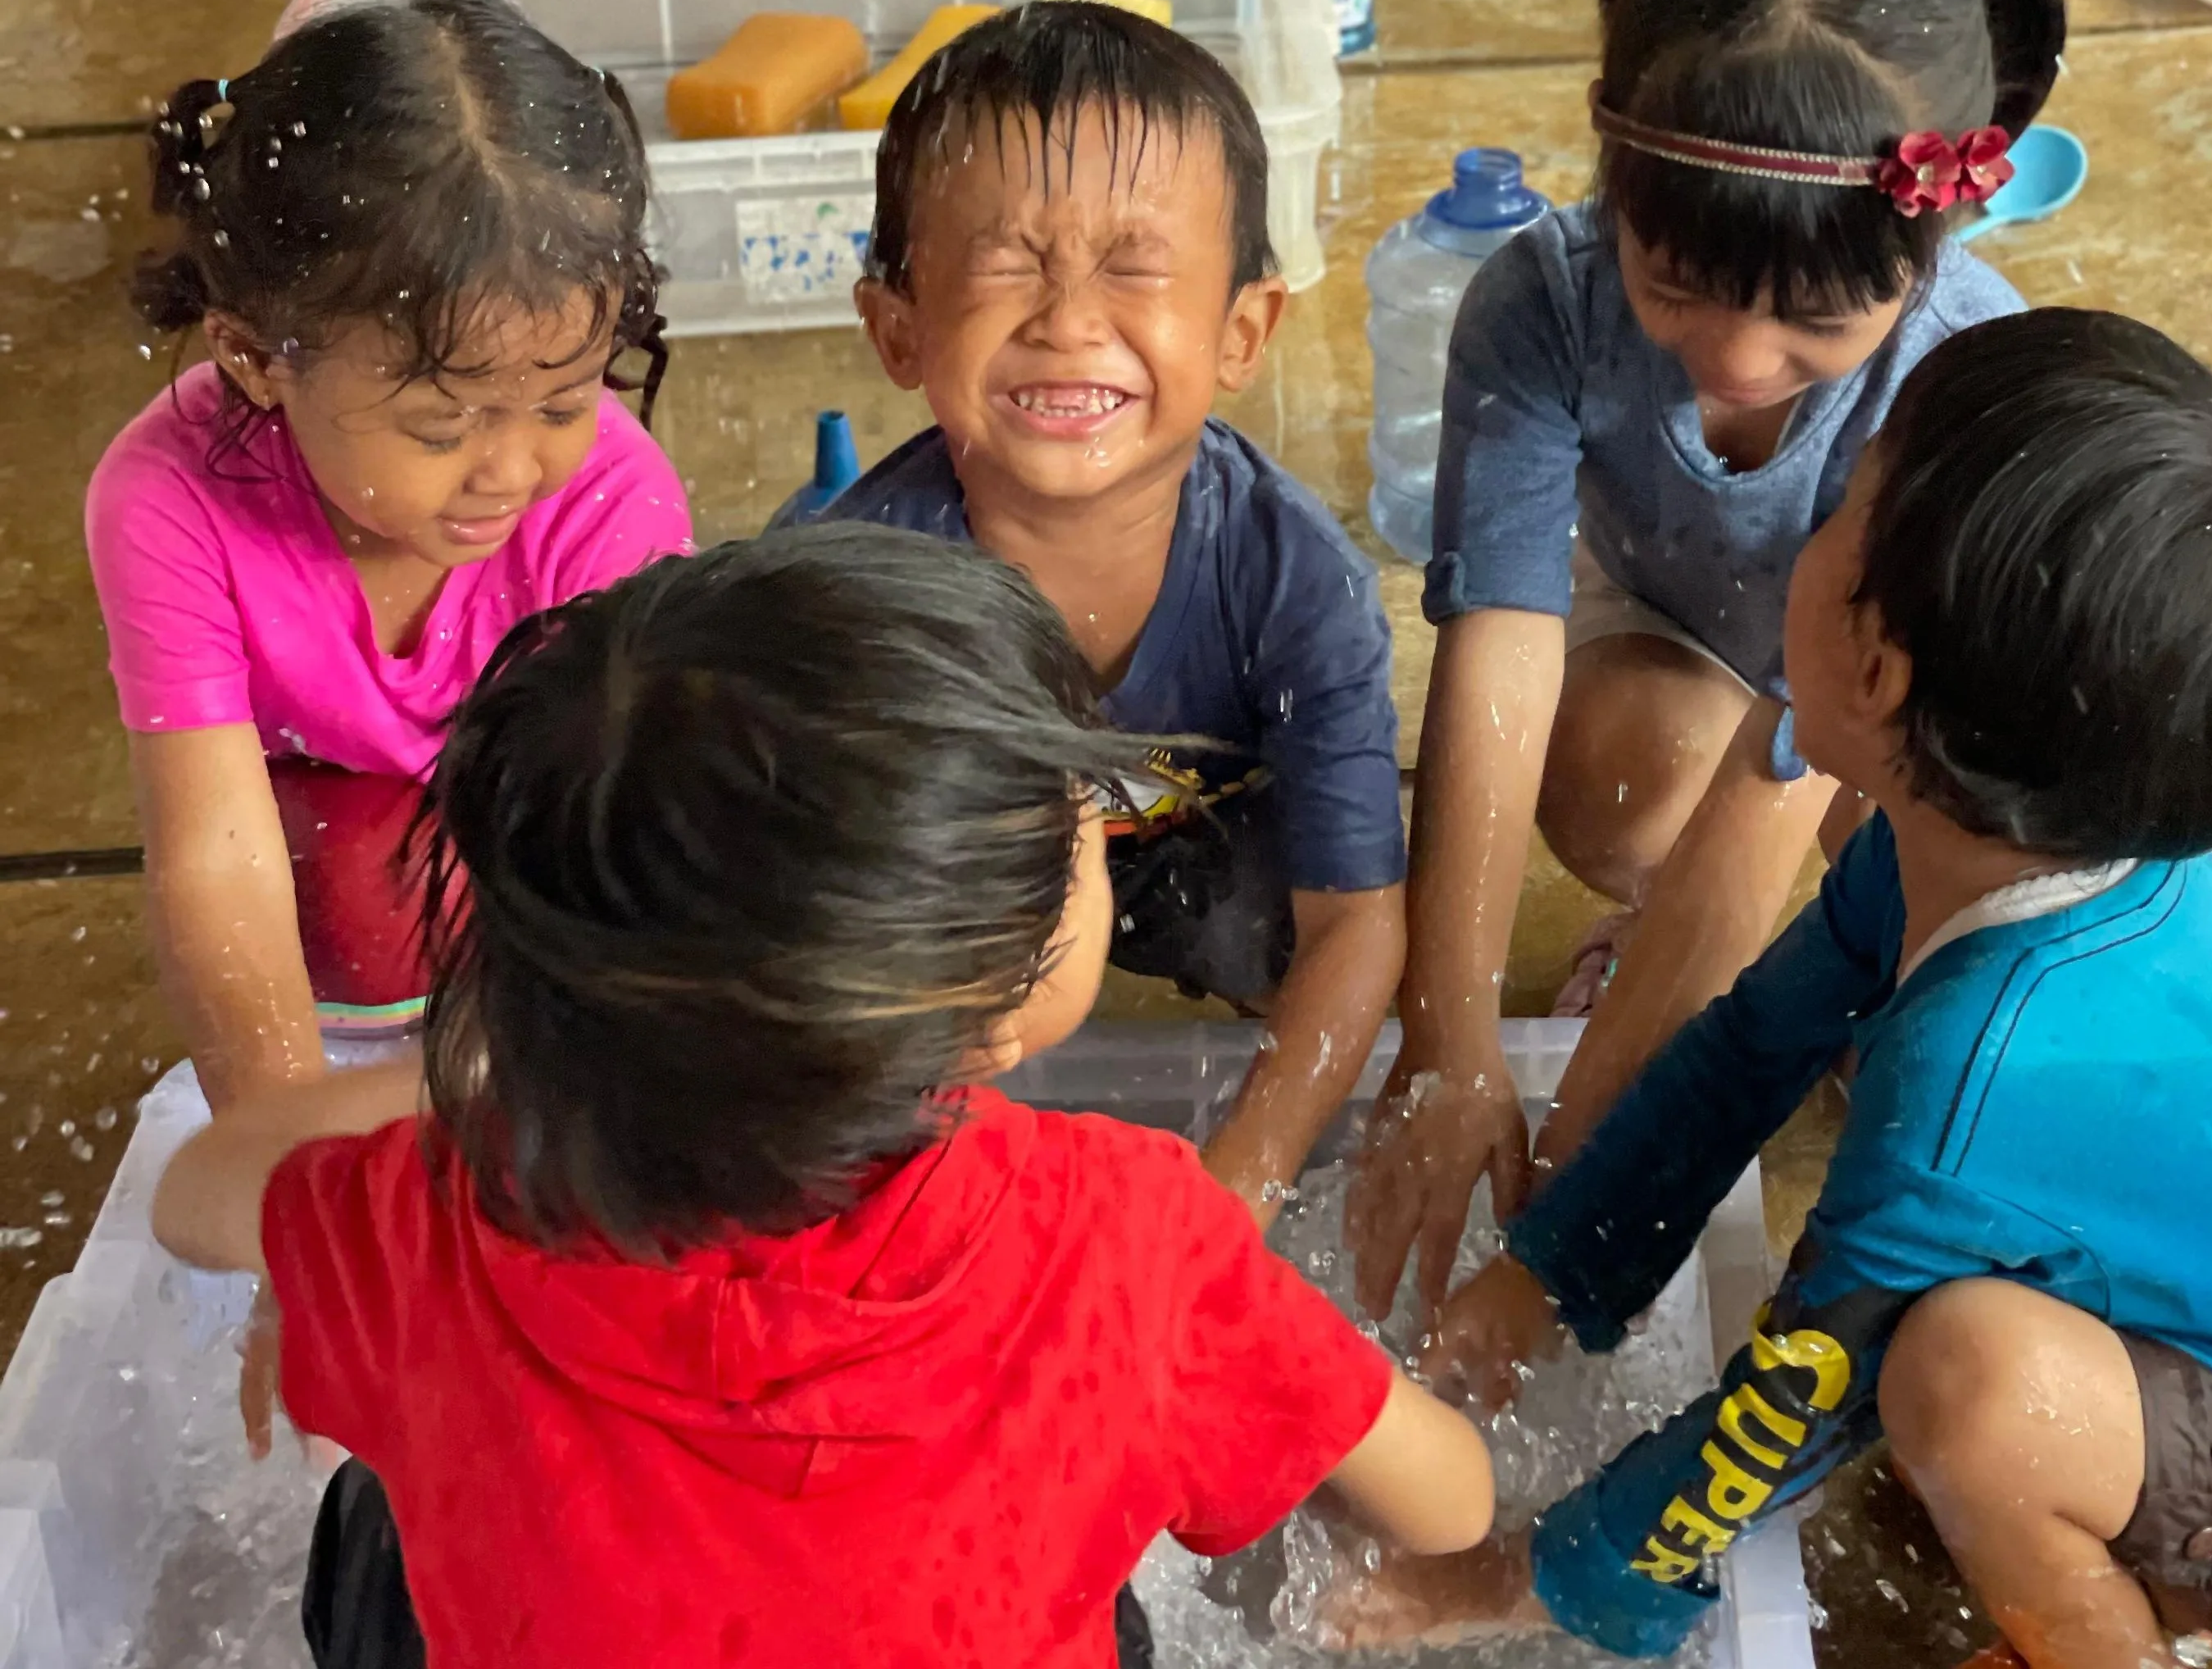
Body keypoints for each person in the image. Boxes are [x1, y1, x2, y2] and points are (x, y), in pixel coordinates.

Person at [149, 524, 1497, 1669]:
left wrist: (540, 1058)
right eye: (1088, 822)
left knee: (382, 1523)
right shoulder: (1121, 1238)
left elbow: (197, 1199)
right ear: (990, 993)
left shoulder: (446, 1212)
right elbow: (1450, 1502)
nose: (1111, 816)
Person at [1392, 311, 2212, 1669]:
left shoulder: (1976, 1079)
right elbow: (1743, 1057)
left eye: (1845, 504)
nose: (1815, 515)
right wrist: (1538, 1285)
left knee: (1959, 1387)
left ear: (1875, 668)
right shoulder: (2000, 849)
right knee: (1932, 1327)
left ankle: (2103, 1643)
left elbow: (1787, 1411)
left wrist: (1505, 1577)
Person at [1351, 0, 2069, 1323]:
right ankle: (1702, 952)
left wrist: (1576, 1201)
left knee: (1929, 910)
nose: (1739, 359)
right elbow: (1501, 646)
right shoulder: (1540, 300)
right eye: (1672, 285)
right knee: (1627, 790)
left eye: (1816, 319)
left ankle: (1843, 970)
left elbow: (1798, 757)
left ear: (1931, 245)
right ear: (1614, 180)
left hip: (1892, 700)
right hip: (1679, 636)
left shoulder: (1952, 375)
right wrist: (1448, 1037)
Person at [832, 0, 1407, 1226]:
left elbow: (1358, 913)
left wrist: (1237, 1190)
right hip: (980, 860)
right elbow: (801, 912)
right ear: (898, 328)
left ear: (1242, 329)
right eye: (1004, 265)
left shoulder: (1294, 581)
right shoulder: (857, 588)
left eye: (1135, 266)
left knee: (1317, 945)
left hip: (1213, 853)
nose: (1068, 320)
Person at [86, 0, 691, 1110]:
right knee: (362, 885)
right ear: (257, 358)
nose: (510, 471)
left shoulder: (608, 492)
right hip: (326, 812)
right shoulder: (167, 496)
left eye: (563, 399)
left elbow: (620, 827)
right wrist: (290, 1157)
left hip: (515, 792)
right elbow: (215, 852)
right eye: (441, 426)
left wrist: (564, 1105)